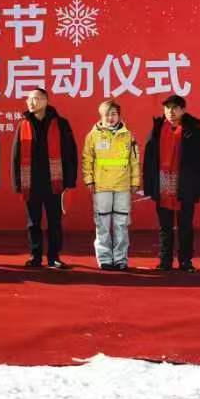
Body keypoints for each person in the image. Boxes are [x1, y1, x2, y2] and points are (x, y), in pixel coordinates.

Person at [143, 95, 200, 273]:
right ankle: (165, 261)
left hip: (185, 183)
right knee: (165, 226)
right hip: (163, 182)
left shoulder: (194, 129)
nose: (170, 112)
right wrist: (149, 184)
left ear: (183, 110)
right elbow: (149, 158)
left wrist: (199, 188)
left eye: (175, 108)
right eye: (167, 108)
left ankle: (185, 261)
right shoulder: (158, 128)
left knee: (185, 226)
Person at [12, 88, 78, 269]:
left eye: (36, 98)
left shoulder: (61, 124)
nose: (31, 102)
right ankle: (35, 256)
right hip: (31, 182)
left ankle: (54, 257)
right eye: (29, 99)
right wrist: (18, 183)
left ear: (46, 101)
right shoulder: (23, 124)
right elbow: (16, 156)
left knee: (54, 222)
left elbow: (70, 153)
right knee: (33, 222)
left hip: (54, 182)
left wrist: (70, 180)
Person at [81, 100, 140, 271]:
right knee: (103, 224)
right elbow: (87, 159)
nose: (110, 118)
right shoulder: (93, 136)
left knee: (121, 224)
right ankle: (105, 259)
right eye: (106, 114)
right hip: (101, 186)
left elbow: (134, 160)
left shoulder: (128, 135)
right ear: (101, 116)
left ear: (119, 116)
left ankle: (121, 259)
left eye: (113, 114)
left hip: (122, 186)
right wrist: (89, 180)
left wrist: (135, 182)